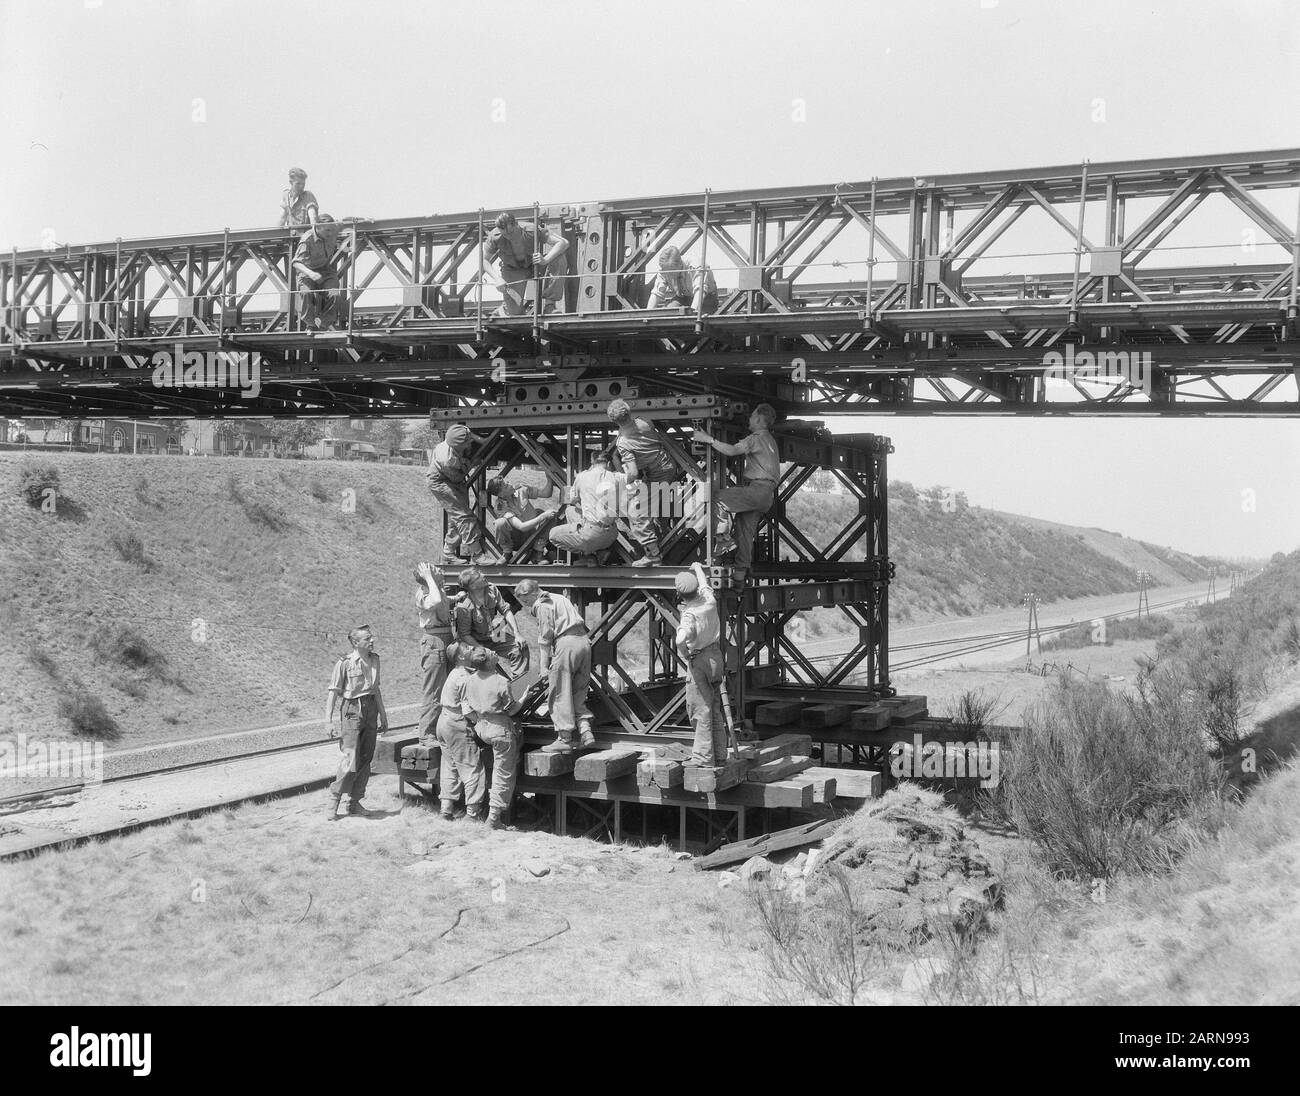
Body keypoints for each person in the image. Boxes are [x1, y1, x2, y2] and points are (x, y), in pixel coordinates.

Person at [607, 398, 701, 566]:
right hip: (668, 465)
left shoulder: (623, 443)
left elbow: (633, 473)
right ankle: (660, 533)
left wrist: (619, 477)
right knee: (653, 506)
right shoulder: (645, 422)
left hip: (657, 475)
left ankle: (653, 555)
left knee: (637, 510)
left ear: (613, 421)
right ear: (629, 412)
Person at [693, 403, 780, 579]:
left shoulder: (756, 438)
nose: (748, 419)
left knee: (717, 498)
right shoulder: (771, 440)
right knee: (744, 530)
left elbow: (732, 450)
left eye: (751, 416)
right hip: (766, 495)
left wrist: (708, 439)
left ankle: (724, 542)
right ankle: (741, 572)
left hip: (758, 489)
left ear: (758, 419)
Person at [513, 580, 596, 753]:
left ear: (532, 594)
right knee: (578, 690)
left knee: (559, 691)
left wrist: (543, 667)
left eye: (526, 601)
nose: (527, 606)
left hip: (566, 645)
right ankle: (585, 730)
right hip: (584, 643)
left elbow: (545, 639)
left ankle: (564, 738)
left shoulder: (542, 605)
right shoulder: (559, 598)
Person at [323, 624, 390, 819]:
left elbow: (376, 689)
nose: (372, 641)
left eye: (372, 638)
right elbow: (333, 692)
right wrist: (328, 721)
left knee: (366, 758)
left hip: (371, 708)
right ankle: (334, 800)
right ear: (355, 642)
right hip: (352, 709)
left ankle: (354, 802)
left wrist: (383, 715)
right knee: (351, 757)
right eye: (367, 639)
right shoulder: (344, 663)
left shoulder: (375, 660)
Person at [462, 647, 524, 829]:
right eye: (491, 653)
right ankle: (494, 818)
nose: (494, 653)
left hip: (482, 728)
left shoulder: (470, 680)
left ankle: (477, 811)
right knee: (503, 773)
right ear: (488, 662)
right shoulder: (501, 681)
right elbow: (511, 709)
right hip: (500, 731)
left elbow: (468, 706)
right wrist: (524, 698)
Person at [675, 562, 728, 769]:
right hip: (715, 657)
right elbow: (705, 583)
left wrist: (685, 653)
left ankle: (703, 758)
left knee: (700, 710)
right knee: (714, 708)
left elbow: (680, 639)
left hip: (699, 660)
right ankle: (720, 755)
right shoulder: (709, 599)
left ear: (680, 593)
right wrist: (697, 567)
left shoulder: (690, 614)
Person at [435, 642, 488, 822]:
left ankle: (446, 809)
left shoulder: (454, 673)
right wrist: (483, 721)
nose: (472, 649)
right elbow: (467, 711)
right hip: (456, 724)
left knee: (450, 766)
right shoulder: (465, 678)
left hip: (443, 722)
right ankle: (473, 813)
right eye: (467, 648)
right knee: (472, 766)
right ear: (460, 657)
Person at [483, 211, 570, 317]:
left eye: (511, 232)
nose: (508, 237)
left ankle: (550, 305)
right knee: (515, 314)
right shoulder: (494, 237)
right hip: (512, 270)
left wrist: (545, 260)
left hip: (534, 266)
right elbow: (484, 260)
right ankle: (505, 308)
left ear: (516, 224)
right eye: (504, 234)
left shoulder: (531, 230)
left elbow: (563, 243)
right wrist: (497, 278)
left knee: (559, 258)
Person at [453, 567, 529, 680]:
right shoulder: (465, 606)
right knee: (483, 663)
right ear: (473, 586)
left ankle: (520, 684)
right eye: (479, 576)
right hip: (475, 642)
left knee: (519, 647)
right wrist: (480, 648)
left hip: (493, 636)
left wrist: (517, 634)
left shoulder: (491, 589)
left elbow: (506, 610)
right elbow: (465, 635)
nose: (483, 575)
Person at [549, 446, 623, 563]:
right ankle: (600, 552)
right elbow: (632, 476)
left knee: (553, 535)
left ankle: (588, 556)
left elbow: (571, 500)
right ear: (608, 464)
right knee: (570, 512)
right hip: (612, 534)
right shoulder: (616, 477)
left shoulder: (582, 476)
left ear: (592, 463)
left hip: (591, 533)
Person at [427, 423, 488, 564]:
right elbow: (458, 477)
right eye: (467, 443)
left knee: (457, 518)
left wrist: (483, 441)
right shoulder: (448, 460)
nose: (470, 443)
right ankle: (477, 555)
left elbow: (468, 433)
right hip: (441, 483)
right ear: (458, 445)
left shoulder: (458, 432)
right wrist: (472, 463)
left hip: (452, 481)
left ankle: (448, 553)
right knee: (464, 516)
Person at [414, 562, 454, 745]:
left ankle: (439, 728)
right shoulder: (424, 593)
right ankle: (426, 733)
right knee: (433, 689)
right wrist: (429, 577)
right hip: (434, 641)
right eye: (434, 570)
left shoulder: (437, 589)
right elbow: (436, 601)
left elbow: (443, 601)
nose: (440, 570)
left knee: (446, 686)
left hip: (445, 638)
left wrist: (456, 598)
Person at [487, 476, 558, 561]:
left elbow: (546, 493)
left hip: (533, 536)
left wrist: (549, 477)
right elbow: (522, 527)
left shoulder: (521, 491)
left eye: (507, 482)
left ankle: (537, 552)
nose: (510, 484)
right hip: (516, 541)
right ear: (501, 494)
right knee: (500, 523)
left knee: (544, 514)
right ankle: (507, 553)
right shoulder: (500, 507)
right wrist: (543, 516)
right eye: (506, 486)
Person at [292, 214, 342, 330]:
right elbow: (296, 263)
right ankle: (310, 324)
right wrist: (311, 274)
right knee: (306, 293)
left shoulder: (332, 230)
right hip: (307, 272)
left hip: (326, 271)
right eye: (327, 230)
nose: (330, 233)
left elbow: (345, 222)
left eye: (331, 230)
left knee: (334, 294)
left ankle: (324, 323)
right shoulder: (307, 239)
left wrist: (364, 220)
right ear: (318, 227)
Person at [644, 245, 718, 313]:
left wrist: (692, 312)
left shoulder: (695, 265)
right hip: (683, 298)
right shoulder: (665, 269)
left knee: (700, 321)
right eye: (666, 272)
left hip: (706, 299)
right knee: (668, 312)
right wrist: (647, 314)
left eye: (671, 271)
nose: (668, 275)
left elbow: (700, 290)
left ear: (680, 264)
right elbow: (656, 293)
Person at [279, 167, 320, 232]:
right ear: (291, 182)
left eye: (303, 184)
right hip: (291, 236)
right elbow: (282, 218)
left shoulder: (308, 196)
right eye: (298, 184)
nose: (301, 186)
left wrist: (314, 233)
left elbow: (313, 218)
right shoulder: (286, 195)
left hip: (305, 236)